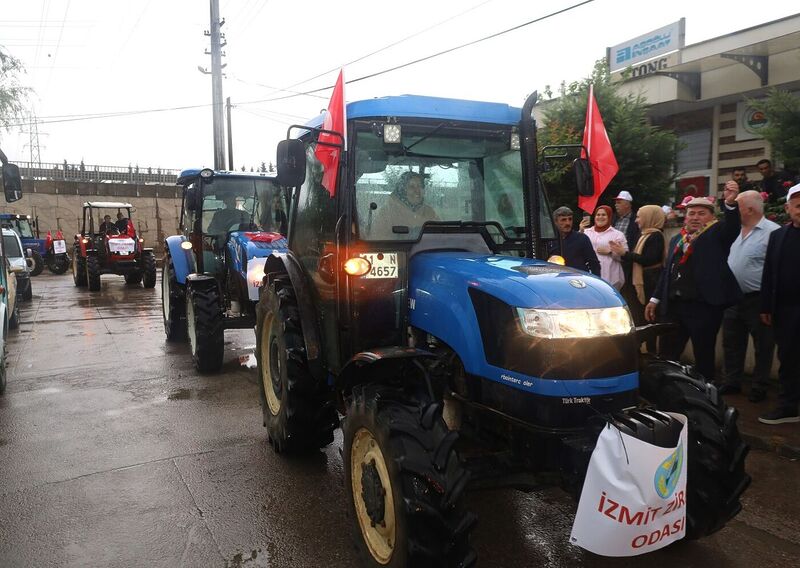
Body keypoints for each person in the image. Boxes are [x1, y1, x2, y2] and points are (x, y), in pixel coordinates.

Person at [645, 182, 742, 383]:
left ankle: (705, 396)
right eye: (692, 213)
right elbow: (667, 271)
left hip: (703, 307)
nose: (695, 218)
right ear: (685, 217)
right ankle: (668, 391)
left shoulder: (716, 234)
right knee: (668, 355)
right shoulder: (676, 240)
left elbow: (732, 228)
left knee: (703, 356)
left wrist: (730, 204)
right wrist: (654, 299)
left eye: (701, 213)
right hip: (675, 306)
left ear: (711, 217)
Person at [718, 190, 779, 402]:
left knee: (763, 344)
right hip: (732, 297)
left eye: (738, 207)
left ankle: (760, 386)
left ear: (750, 209)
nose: (734, 211)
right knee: (731, 342)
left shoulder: (773, 232)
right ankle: (731, 381)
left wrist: (769, 303)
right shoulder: (733, 231)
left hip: (758, 299)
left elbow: (776, 270)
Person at [758, 183, 800, 424]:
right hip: (785, 310)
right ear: (788, 208)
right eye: (798, 205)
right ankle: (788, 406)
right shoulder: (778, 236)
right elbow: (769, 273)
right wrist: (765, 306)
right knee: (788, 359)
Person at [609, 205, 666, 329]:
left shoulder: (655, 236)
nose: (636, 220)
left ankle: (651, 346)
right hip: (644, 280)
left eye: (639, 217)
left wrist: (624, 253)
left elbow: (649, 260)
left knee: (649, 317)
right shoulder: (645, 235)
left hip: (650, 281)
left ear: (649, 217)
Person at [371, 172, 438, 239]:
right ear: (402, 190)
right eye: (412, 187)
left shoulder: (429, 211)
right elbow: (377, 240)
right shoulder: (386, 212)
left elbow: (441, 235)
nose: (417, 190)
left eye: (420, 186)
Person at [580, 205, 627, 289]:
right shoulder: (586, 232)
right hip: (589, 276)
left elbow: (625, 256)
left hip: (611, 277)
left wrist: (610, 251)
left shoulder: (618, 234)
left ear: (609, 217)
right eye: (598, 215)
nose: (600, 217)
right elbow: (576, 250)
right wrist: (580, 232)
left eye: (604, 215)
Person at [548, 206, 600, 275]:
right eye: (563, 220)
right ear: (555, 222)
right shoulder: (549, 240)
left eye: (570, 219)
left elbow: (594, 264)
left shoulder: (582, 239)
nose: (568, 223)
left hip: (577, 281)